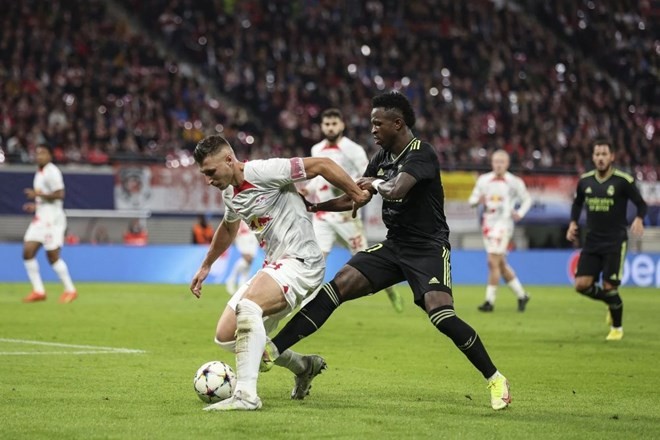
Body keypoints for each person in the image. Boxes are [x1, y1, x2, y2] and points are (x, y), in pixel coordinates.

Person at [263, 91, 511, 411]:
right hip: (394, 246)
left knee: (441, 316)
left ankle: (495, 378)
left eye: (377, 124)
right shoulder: (381, 157)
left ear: (398, 123)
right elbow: (357, 194)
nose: (372, 129)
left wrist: (374, 184)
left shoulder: (421, 153)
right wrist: (314, 206)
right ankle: (272, 351)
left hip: (428, 248)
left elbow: (395, 189)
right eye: (372, 123)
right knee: (335, 288)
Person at [189, 134, 370, 411]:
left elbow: (322, 164)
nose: (208, 180)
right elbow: (229, 227)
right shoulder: (229, 193)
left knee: (249, 307)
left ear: (229, 159)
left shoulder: (265, 171)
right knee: (225, 336)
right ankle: (303, 366)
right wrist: (206, 265)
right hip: (275, 264)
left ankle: (246, 395)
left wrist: (356, 194)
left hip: (302, 261)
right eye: (204, 174)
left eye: (211, 172)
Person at [305, 108, 403, 313]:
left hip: (347, 216)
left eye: (334, 124)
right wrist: (307, 189)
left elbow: (366, 175)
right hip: (323, 217)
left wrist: (350, 190)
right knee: (316, 259)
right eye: (327, 124)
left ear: (342, 125)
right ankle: (309, 305)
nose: (330, 128)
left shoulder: (353, 150)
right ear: (322, 126)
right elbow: (317, 179)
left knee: (367, 262)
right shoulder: (316, 149)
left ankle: (391, 290)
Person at [566, 138, 647, 341]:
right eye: (597, 154)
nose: (601, 158)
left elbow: (641, 203)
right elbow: (577, 204)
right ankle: (612, 303)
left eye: (604, 154)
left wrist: (639, 218)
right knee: (581, 285)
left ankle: (617, 328)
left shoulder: (623, 181)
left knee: (610, 286)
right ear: (593, 157)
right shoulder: (585, 181)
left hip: (615, 242)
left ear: (612, 157)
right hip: (592, 241)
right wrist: (573, 222)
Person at [468, 150, 532, 312]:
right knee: (501, 264)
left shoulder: (514, 182)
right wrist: (478, 201)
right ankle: (522, 295)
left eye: (502, 162)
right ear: (492, 163)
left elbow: (527, 199)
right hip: (487, 224)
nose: (498, 165)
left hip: (504, 225)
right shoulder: (483, 180)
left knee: (492, 261)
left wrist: (520, 213)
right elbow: (471, 200)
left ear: (507, 164)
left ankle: (489, 301)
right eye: (496, 161)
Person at [22, 144, 78, 304]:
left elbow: (60, 194)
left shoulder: (52, 171)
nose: (39, 156)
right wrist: (36, 205)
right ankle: (38, 291)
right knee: (27, 252)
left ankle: (70, 290)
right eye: (37, 153)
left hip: (52, 219)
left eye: (43, 153)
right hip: (41, 217)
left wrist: (37, 195)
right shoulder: (39, 173)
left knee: (52, 256)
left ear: (50, 156)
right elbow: (45, 197)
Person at [225, 220, 260, 295]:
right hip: (244, 238)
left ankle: (240, 287)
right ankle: (232, 279)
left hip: (252, 236)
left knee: (248, 264)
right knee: (246, 260)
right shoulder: (241, 218)